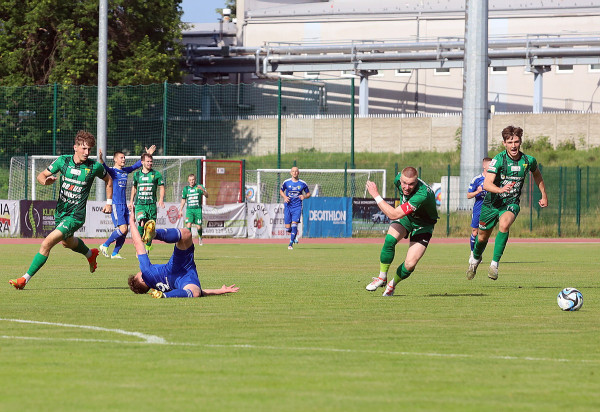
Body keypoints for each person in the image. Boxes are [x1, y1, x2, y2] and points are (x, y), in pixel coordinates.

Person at [10, 131, 113, 290]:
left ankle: (24, 279)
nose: (87, 152)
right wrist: (45, 181)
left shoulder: (94, 167)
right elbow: (41, 176)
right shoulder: (63, 161)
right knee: (67, 243)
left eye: (89, 149)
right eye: (84, 148)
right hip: (60, 213)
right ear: (75, 147)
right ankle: (90, 254)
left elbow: (109, 180)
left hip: (76, 216)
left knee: (47, 243)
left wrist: (109, 203)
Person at [467, 125, 548, 281]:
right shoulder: (498, 160)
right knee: (482, 237)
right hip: (491, 204)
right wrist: (500, 189)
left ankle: (494, 265)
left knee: (504, 225)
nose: (513, 145)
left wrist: (543, 194)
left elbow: (537, 175)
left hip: (511, 203)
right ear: (504, 143)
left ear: (520, 142)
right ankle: (475, 259)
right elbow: (487, 184)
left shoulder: (528, 160)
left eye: (516, 142)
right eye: (510, 142)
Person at [127, 210, 239, 299]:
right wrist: (131, 221)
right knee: (186, 234)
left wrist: (219, 291)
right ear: (142, 279)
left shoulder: (155, 285)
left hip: (179, 275)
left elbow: (192, 292)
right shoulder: (146, 273)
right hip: (179, 270)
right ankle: (155, 234)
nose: (140, 272)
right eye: (138, 274)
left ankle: (165, 296)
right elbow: (138, 244)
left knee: (194, 292)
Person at [365, 167, 439, 296]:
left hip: (423, 225)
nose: (406, 187)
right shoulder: (397, 179)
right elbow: (397, 213)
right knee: (389, 240)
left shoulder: (422, 194)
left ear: (416, 181)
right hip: (407, 218)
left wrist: (375, 195)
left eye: (411, 184)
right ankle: (382, 277)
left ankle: (392, 284)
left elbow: (393, 215)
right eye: (404, 183)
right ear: (400, 179)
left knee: (410, 264)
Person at [98, 145, 156, 259]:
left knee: (126, 230)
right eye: (121, 157)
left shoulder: (125, 171)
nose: (124, 159)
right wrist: (101, 159)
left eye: (124, 157)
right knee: (123, 229)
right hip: (116, 204)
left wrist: (148, 154)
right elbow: (104, 167)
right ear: (115, 159)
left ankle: (115, 253)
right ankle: (105, 245)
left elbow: (136, 165)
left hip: (124, 205)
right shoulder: (112, 171)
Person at [130, 153, 165, 253]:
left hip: (151, 205)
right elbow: (134, 188)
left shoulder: (156, 174)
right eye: (148, 161)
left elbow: (161, 187)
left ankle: (148, 246)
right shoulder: (137, 175)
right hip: (140, 204)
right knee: (142, 221)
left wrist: (161, 199)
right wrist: (131, 201)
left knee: (150, 228)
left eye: (151, 161)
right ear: (142, 162)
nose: (150, 163)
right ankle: (139, 246)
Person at [279, 166, 311, 249]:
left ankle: (290, 244)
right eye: (293, 171)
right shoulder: (286, 182)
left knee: (294, 225)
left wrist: (304, 196)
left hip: (297, 206)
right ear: (290, 173)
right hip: (288, 206)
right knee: (288, 229)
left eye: (296, 171)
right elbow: (281, 191)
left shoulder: (302, 183)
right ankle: (294, 234)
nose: (294, 173)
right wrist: (285, 197)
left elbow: (308, 194)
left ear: (298, 173)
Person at [466, 157, 492, 251]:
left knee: (484, 233)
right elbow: (468, 195)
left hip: (490, 209)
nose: (492, 167)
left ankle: (479, 253)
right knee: (475, 231)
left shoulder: (494, 179)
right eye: (490, 165)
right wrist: (477, 192)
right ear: (484, 165)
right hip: (479, 208)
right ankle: (473, 253)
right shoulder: (477, 179)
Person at [179, 174, 209, 246]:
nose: (191, 181)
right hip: (189, 210)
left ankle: (200, 237)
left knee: (199, 227)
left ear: (195, 180)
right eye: (190, 180)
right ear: (188, 180)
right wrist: (180, 209)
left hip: (197, 209)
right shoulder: (186, 189)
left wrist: (203, 190)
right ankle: (189, 241)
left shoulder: (199, 187)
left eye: (193, 180)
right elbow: (183, 199)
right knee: (188, 225)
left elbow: (207, 195)